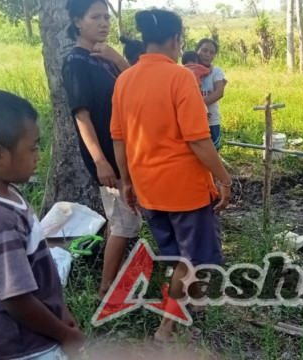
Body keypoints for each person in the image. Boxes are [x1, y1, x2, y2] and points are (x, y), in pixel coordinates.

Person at [111, 9, 232, 345]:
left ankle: (191, 302)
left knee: (175, 255)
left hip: (148, 187)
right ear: (176, 40)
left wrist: (126, 181)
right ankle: (166, 328)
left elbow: (118, 138)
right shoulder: (180, 78)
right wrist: (224, 177)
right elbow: (198, 139)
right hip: (184, 189)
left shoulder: (125, 79)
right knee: (189, 259)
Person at [0, 88, 85, 360]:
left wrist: (59, 309)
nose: (38, 155)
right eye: (33, 147)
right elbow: (16, 299)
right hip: (27, 347)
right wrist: (65, 335)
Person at [62, 0, 140, 301]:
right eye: (95, 17)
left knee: (121, 218)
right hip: (108, 154)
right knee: (125, 221)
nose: (104, 23)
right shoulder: (76, 62)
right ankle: (106, 290)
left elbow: (136, 88)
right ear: (78, 21)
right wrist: (100, 161)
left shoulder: (105, 57)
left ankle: (112, 280)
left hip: (127, 150)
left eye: (106, 17)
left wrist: (118, 59)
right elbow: (82, 116)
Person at [195, 38, 226, 150]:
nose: (207, 54)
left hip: (211, 121)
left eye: (211, 53)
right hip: (193, 120)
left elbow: (219, 92)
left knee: (212, 151)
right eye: (204, 50)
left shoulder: (216, 72)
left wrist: (198, 106)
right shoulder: (186, 71)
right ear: (197, 50)